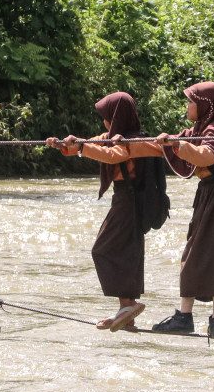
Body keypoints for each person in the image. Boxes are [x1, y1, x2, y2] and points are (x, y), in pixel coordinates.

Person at [148, 81, 214, 337]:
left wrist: (178, 146)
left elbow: (207, 155)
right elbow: (154, 146)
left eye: (191, 102)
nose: (187, 106)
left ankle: (190, 318)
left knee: (199, 257)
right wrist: (92, 146)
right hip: (211, 196)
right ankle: (212, 322)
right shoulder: (200, 128)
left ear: (206, 105)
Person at [46, 92, 149, 331]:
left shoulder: (132, 140)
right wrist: (65, 145)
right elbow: (91, 145)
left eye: (106, 117)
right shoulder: (110, 137)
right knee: (126, 251)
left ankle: (129, 305)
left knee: (103, 250)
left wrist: (82, 146)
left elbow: (114, 155)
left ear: (116, 117)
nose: (103, 122)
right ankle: (127, 312)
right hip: (124, 199)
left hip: (131, 201)